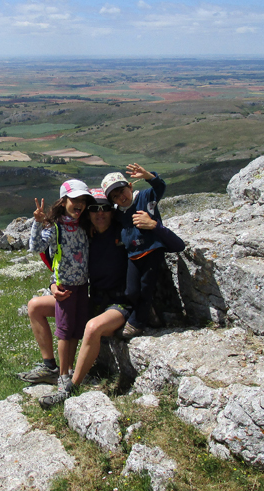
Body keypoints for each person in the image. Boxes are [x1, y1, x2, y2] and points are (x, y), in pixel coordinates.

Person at [37, 188, 133, 408]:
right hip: (91, 298)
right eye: (94, 209)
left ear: (113, 211)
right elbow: (63, 260)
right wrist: (53, 284)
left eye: (105, 209)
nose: (100, 214)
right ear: (88, 214)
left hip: (118, 303)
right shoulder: (85, 235)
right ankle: (51, 367)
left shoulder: (124, 234)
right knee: (35, 306)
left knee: (91, 328)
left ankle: (69, 387)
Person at [24, 179, 92, 388]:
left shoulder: (85, 224)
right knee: (65, 331)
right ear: (63, 201)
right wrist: (37, 222)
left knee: (73, 332)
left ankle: (68, 372)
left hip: (82, 288)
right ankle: (60, 374)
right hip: (65, 288)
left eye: (83, 200)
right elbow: (36, 247)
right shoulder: (56, 227)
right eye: (74, 199)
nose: (79, 204)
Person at [102, 163, 165, 339]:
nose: (120, 197)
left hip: (151, 251)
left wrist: (149, 176)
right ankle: (149, 313)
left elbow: (160, 187)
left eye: (121, 191)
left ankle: (137, 323)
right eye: (115, 196)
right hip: (133, 255)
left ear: (130, 186)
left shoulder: (145, 198)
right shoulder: (119, 213)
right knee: (131, 291)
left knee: (145, 288)